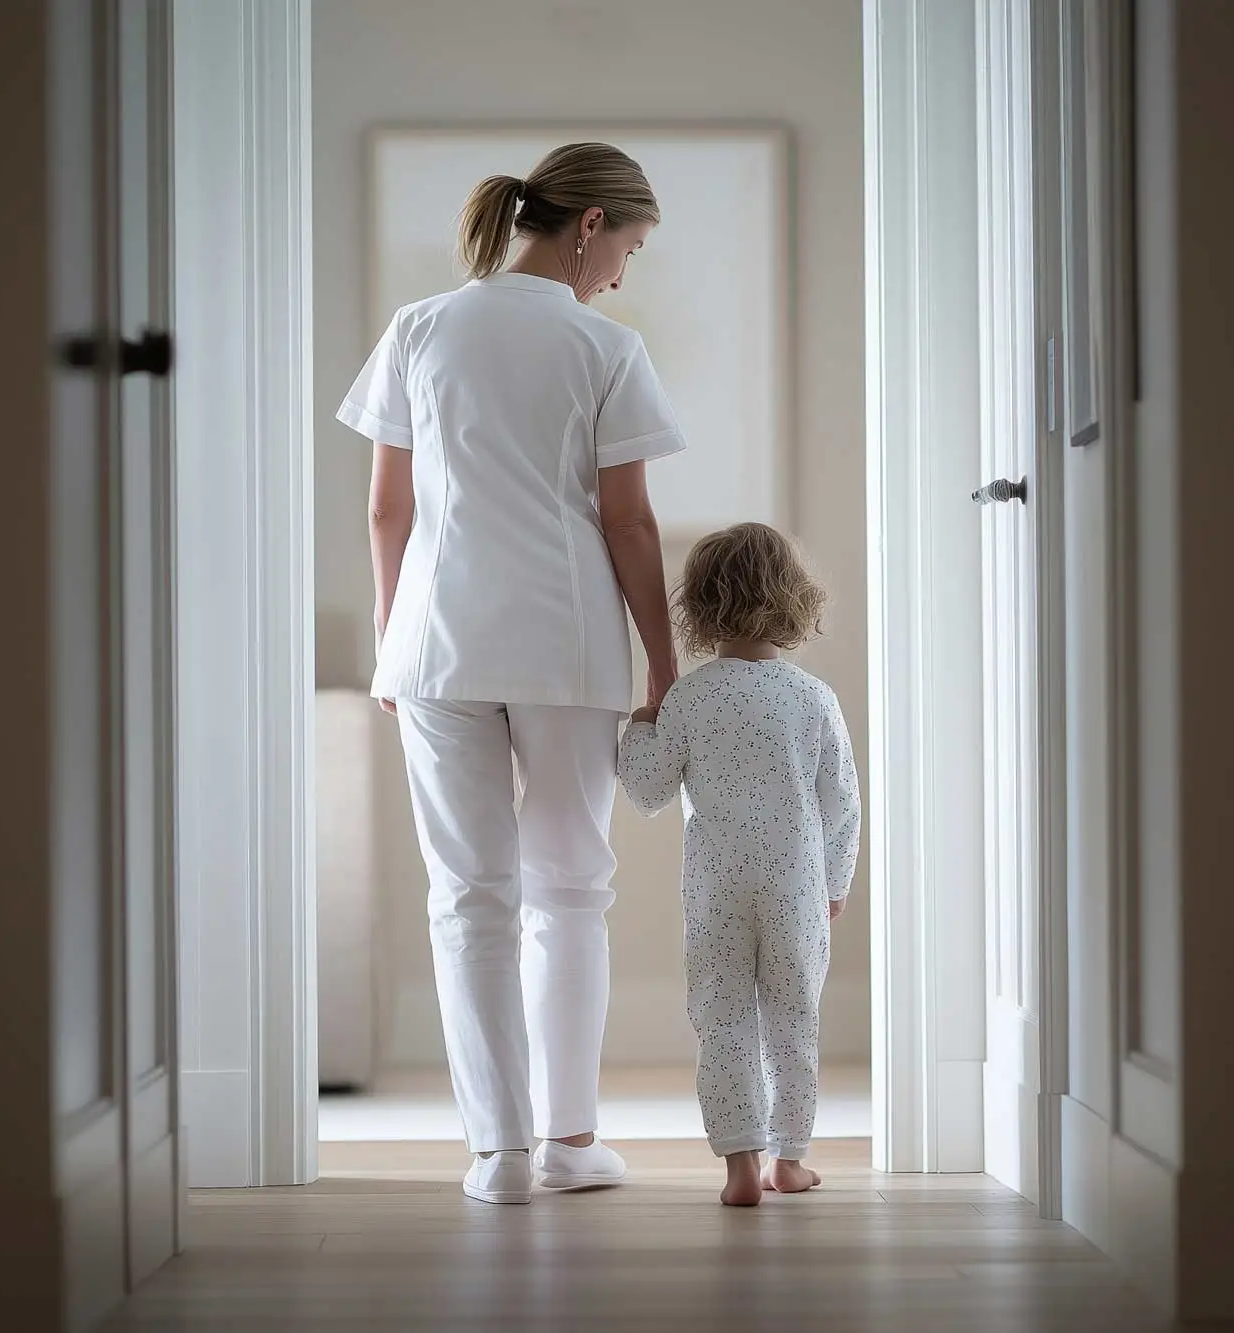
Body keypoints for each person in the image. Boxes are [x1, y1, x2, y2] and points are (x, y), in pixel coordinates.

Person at [338, 143, 685, 1205]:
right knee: (569, 889)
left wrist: (394, 635)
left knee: (467, 895)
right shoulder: (604, 347)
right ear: (591, 225)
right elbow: (627, 521)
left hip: (435, 642)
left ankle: (499, 1154)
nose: (621, 274)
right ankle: (571, 1142)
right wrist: (663, 661)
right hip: (565, 643)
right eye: (629, 247)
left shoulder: (419, 327)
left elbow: (386, 508)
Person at [617, 523, 862, 1206]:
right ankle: (790, 1159)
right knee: (794, 1019)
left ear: (698, 606)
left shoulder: (689, 699)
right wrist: (836, 882)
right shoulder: (813, 698)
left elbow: (647, 793)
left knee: (722, 1017)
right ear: (794, 599)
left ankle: (739, 1169)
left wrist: (641, 725)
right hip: (796, 887)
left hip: (717, 889)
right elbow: (842, 804)